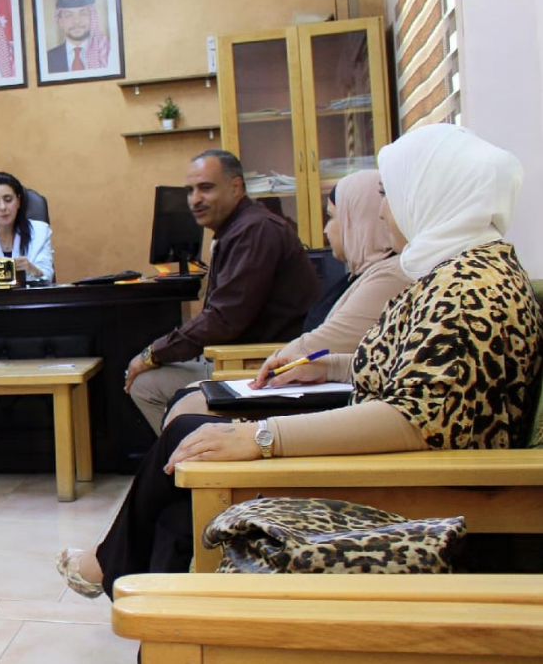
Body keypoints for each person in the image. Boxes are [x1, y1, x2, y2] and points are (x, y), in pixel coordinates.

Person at [58, 123, 543, 599]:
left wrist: (263, 437)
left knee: (193, 440)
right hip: (401, 454)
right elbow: (410, 373)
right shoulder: (460, 271)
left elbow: (413, 422)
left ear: (431, 194)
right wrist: (328, 367)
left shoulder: (468, 292)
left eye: (389, 195)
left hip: (423, 483)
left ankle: (133, 584)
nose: (382, 212)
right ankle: (140, 588)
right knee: (190, 445)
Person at [165, 169, 411, 421]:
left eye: (331, 218)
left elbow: (319, 346)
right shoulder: (362, 274)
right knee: (187, 402)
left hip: (322, 402)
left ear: (358, 221)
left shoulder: (388, 277)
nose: (326, 230)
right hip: (307, 385)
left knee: (183, 405)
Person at [125, 150, 318, 434]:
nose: (195, 200)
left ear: (235, 187)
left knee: (146, 385)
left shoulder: (254, 231)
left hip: (258, 366)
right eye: (190, 190)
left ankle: (196, 457)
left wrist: (151, 354)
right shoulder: (241, 228)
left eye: (206, 188)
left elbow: (223, 320)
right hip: (243, 357)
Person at [45, 0, 110, 73]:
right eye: (69, 15)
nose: (76, 21)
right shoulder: (47, 59)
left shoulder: (107, 52)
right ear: (60, 21)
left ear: (92, 17)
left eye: (83, 14)